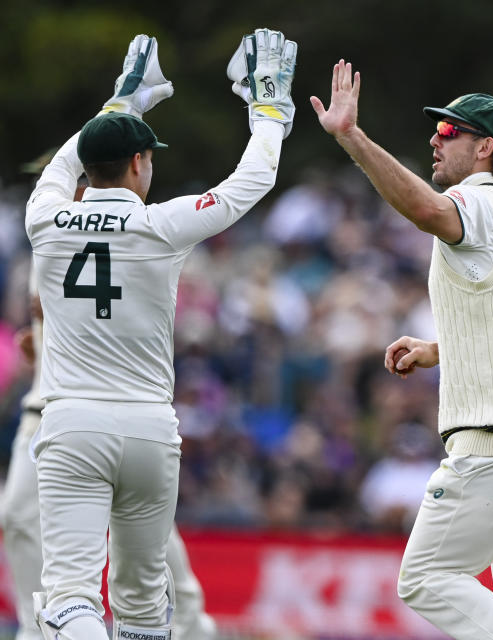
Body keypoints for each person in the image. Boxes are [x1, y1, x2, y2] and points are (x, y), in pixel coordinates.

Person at [24, 29, 296, 639]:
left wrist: (123, 102)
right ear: (141, 163)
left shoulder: (42, 217)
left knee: (70, 597)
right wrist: (270, 112)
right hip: (150, 429)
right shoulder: (160, 225)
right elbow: (251, 180)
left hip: (73, 425)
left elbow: (64, 163)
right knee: (145, 606)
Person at [310, 61, 493, 639]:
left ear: (485, 147)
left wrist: (351, 136)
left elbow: (424, 210)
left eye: (448, 133)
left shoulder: (479, 204)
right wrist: (442, 349)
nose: (434, 143)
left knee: (427, 576)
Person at [1, 276, 216, 639]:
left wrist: (68, 309)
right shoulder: (41, 219)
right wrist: (46, 340)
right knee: (25, 516)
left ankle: (189, 623)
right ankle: (35, 630)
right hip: (51, 392)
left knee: (132, 514)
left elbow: (129, 285)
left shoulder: (119, 220)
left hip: (99, 393)